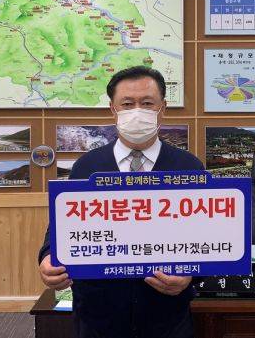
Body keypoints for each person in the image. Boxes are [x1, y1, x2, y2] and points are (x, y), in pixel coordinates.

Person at [38, 66, 205, 338]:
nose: (137, 111)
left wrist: (191, 277)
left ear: (163, 108)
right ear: (112, 109)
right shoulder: (86, 167)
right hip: (98, 316)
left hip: (166, 316)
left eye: (147, 103)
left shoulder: (188, 167)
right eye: (127, 104)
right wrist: (47, 257)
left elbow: (207, 236)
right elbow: (60, 228)